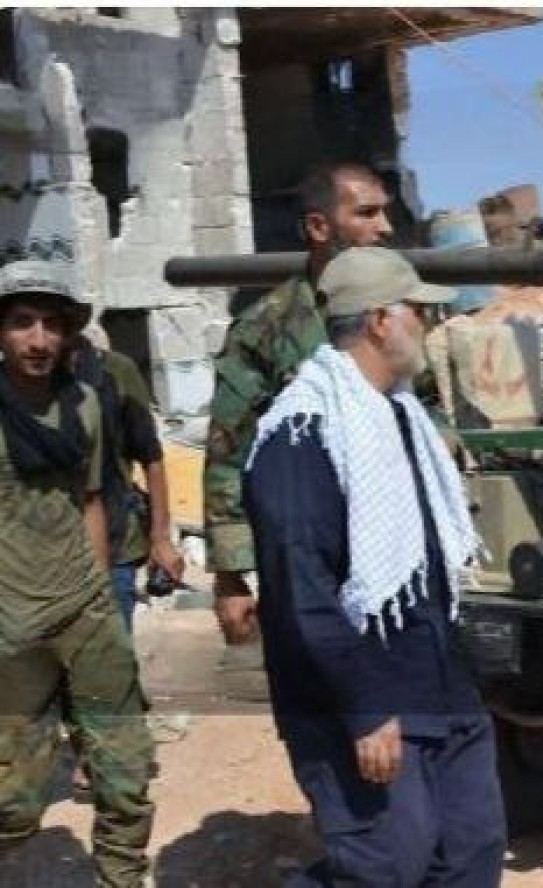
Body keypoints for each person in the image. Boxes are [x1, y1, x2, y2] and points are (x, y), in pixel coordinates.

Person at [243, 246, 506, 887]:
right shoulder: (303, 434)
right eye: (419, 309)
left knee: (472, 848)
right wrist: (365, 710)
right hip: (359, 697)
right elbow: (302, 589)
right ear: (382, 321)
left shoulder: (400, 418)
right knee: (385, 866)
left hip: (436, 681)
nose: (429, 322)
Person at [0, 260, 154, 887]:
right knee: (12, 802)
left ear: (69, 334)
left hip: (85, 613)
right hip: (13, 628)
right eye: (20, 323)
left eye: (51, 325)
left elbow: (92, 502)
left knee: (125, 777)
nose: (38, 340)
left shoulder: (85, 406)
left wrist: (99, 600)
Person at [205, 161, 395, 650]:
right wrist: (231, 574)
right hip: (307, 558)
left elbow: (433, 415)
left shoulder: (400, 317)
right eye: (367, 214)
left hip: (396, 546)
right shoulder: (265, 329)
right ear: (318, 226)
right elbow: (229, 452)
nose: (385, 228)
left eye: (384, 214)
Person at [73, 324, 185, 629]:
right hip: (34, 557)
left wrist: (161, 539)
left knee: (110, 662)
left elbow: (151, 456)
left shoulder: (115, 372)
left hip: (114, 543)